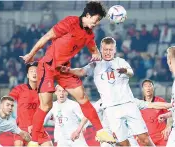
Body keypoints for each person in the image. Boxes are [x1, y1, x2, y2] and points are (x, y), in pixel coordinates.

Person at [19, 1, 115, 146]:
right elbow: (46, 37)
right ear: (88, 15)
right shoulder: (70, 22)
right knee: (46, 106)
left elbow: (94, 49)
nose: (97, 23)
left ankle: (100, 131)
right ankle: (34, 142)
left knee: (82, 97)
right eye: (96, 19)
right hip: (48, 67)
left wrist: (96, 53)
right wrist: (31, 54)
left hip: (64, 69)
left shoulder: (89, 34)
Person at [58, 37, 159, 146]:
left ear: (114, 50)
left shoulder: (120, 61)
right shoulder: (95, 64)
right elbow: (82, 71)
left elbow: (131, 73)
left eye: (110, 50)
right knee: (124, 143)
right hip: (111, 109)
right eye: (105, 49)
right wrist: (68, 70)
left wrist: (125, 71)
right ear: (101, 49)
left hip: (128, 104)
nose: (108, 52)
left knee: (144, 139)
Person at [71, 98, 172, 147]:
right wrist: (79, 129)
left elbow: (151, 105)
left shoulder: (129, 100)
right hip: (109, 136)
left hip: (127, 136)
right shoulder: (103, 101)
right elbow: (89, 112)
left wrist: (170, 105)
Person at [9, 62, 52, 146]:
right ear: (28, 75)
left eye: (36, 71)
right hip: (22, 128)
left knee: (48, 145)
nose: (34, 73)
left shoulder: (44, 91)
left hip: (38, 128)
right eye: (31, 71)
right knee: (18, 144)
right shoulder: (19, 89)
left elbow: (47, 108)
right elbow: (8, 100)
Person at [139, 79, 172, 146]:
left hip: (161, 136)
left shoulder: (160, 101)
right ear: (142, 89)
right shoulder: (139, 104)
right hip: (146, 138)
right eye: (145, 86)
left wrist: (168, 127)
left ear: (153, 88)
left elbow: (170, 114)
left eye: (150, 86)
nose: (148, 88)